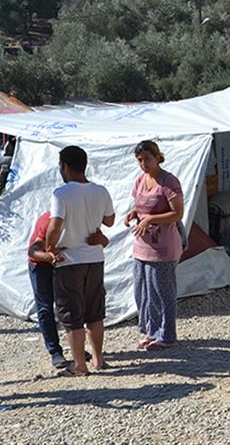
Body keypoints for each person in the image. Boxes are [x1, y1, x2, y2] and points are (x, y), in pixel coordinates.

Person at [46, 145, 115, 376]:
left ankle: (79, 365)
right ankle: (99, 358)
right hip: (95, 258)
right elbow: (110, 220)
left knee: (72, 315)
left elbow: (55, 225)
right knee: (95, 312)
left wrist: (50, 247)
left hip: (69, 259)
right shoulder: (101, 190)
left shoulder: (61, 194)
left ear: (65, 166)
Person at [26, 211, 108, 369]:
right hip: (41, 265)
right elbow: (33, 251)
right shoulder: (48, 222)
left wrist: (100, 240)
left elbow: (103, 240)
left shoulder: (82, 218)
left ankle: (77, 351)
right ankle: (55, 352)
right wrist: (50, 257)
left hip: (66, 264)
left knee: (70, 306)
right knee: (45, 308)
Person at [125, 140, 185, 351]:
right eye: (140, 160)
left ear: (157, 157)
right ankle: (150, 330)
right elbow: (140, 205)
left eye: (147, 159)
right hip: (142, 244)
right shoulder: (141, 180)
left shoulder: (168, 182)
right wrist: (134, 214)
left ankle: (167, 335)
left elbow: (177, 213)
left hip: (163, 246)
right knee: (142, 291)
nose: (143, 164)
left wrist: (150, 219)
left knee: (162, 291)